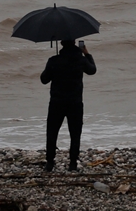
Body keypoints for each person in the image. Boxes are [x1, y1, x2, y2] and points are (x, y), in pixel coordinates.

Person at [40, 39, 96, 172]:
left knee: (52, 132)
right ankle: (72, 164)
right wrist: (87, 54)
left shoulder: (54, 60)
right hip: (75, 103)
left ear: (61, 44)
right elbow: (92, 70)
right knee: (75, 133)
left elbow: (44, 79)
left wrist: (53, 66)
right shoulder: (81, 60)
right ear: (75, 43)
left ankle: (49, 162)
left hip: (57, 102)